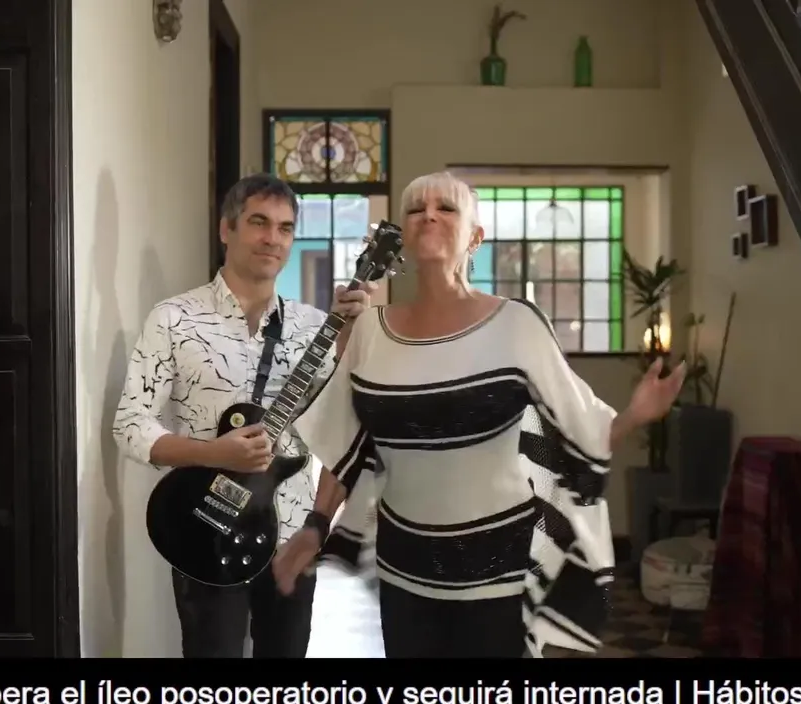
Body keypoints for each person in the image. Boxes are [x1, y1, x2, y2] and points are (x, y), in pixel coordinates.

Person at [273, 171, 686, 658]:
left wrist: (636, 414)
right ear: (402, 236)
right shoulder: (371, 331)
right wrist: (316, 525)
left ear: (475, 237)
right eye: (416, 208)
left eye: (446, 208)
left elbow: (581, 426)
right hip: (404, 570)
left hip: (500, 572)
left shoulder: (517, 323)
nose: (428, 215)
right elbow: (348, 443)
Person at [112, 174, 375, 658]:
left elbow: (343, 430)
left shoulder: (315, 327)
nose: (272, 238)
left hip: (291, 538)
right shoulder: (174, 319)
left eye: (285, 228)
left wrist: (352, 335)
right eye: (258, 222)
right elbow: (131, 424)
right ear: (226, 229)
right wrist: (213, 453)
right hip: (204, 529)